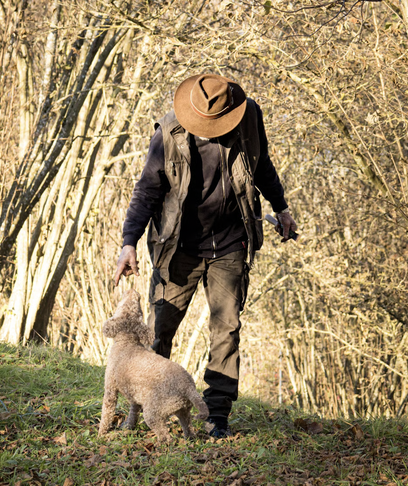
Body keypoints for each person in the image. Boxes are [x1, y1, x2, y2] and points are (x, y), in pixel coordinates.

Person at [112, 73, 297, 439]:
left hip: (231, 243)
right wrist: (129, 241)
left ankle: (216, 416)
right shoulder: (167, 134)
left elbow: (262, 167)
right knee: (160, 328)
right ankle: (146, 404)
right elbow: (147, 190)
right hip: (178, 246)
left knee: (227, 329)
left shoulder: (248, 120)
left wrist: (282, 207)